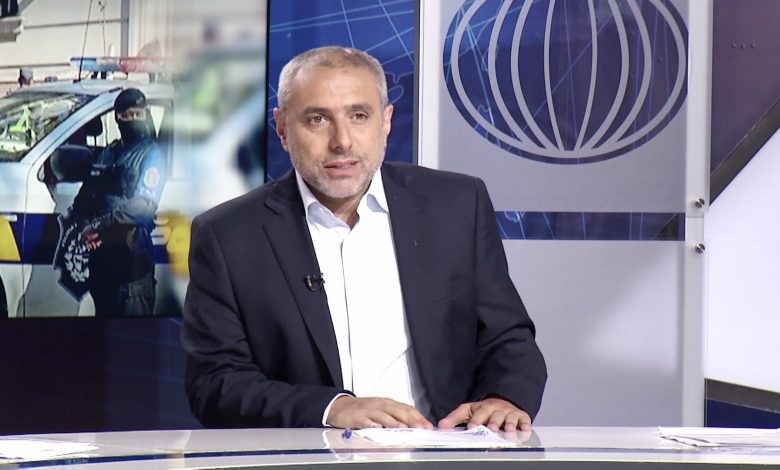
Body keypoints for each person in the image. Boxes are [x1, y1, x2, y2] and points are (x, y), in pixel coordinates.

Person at [181, 46, 546, 431]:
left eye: (359, 116)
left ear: (385, 122)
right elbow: (215, 383)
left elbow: (508, 340)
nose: (342, 141)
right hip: (312, 455)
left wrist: (503, 398)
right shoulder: (228, 236)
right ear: (283, 129)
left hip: (439, 448)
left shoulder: (456, 206)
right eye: (318, 119)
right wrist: (332, 410)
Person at [54, 88, 166, 316]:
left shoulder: (151, 154)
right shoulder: (109, 153)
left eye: (138, 114)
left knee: (132, 335)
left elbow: (144, 207)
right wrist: (86, 226)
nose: (134, 119)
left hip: (131, 268)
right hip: (102, 267)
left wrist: (101, 224)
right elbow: (85, 197)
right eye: (127, 115)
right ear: (117, 118)